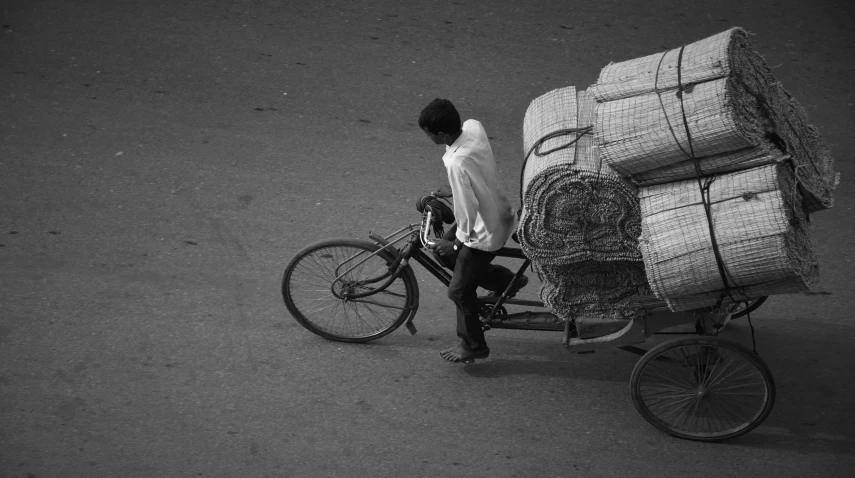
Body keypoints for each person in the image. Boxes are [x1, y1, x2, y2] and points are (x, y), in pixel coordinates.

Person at [418, 98, 527, 363]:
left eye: (429, 134)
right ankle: (505, 282)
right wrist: (454, 190)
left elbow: (466, 210)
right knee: (441, 254)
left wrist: (457, 243)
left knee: (457, 290)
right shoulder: (473, 127)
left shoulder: (457, 162)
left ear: (442, 134)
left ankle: (473, 345)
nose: (429, 137)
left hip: (483, 231)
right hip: (498, 212)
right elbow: (474, 176)